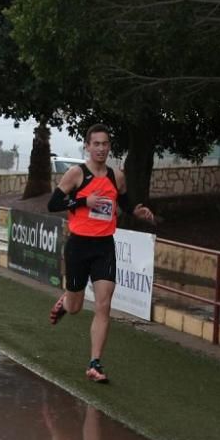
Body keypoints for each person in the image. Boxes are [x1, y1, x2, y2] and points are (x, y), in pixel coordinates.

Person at [46, 123, 155, 383]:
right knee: (74, 307)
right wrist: (84, 201)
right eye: (96, 144)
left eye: (105, 144)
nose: (101, 148)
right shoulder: (76, 174)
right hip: (78, 245)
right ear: (87, 146)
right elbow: (53, 204)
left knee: (104, 305)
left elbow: (125, 203)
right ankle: (65, 300)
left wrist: (136, 212)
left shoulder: (116, 176)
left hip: (104, 246)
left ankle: (95, 363)